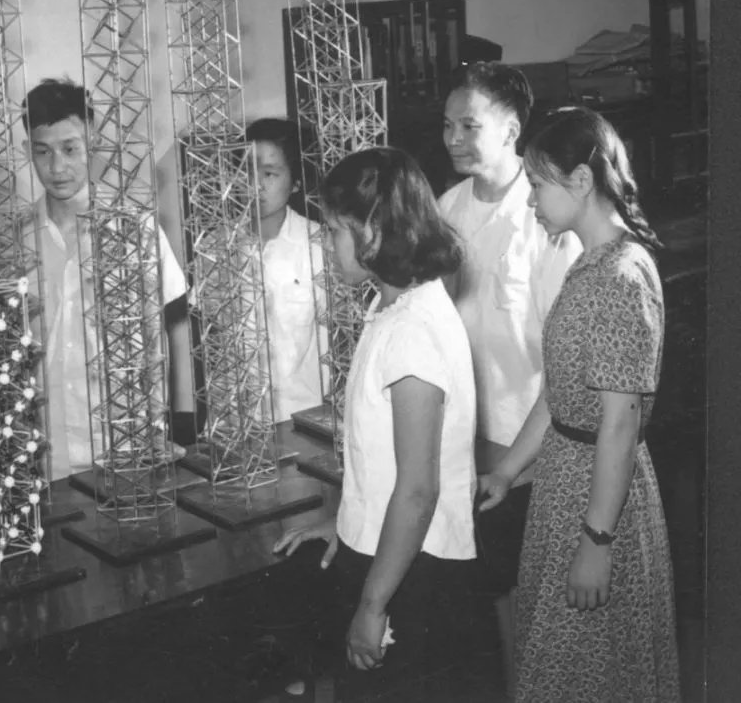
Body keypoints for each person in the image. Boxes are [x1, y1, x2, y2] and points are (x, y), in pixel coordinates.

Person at [478, 107, 680, 703]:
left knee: (587, 671)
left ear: (582, 180)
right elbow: (559, 392)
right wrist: (506, 472)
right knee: (562, 668)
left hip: (598, 497)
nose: (531, 199)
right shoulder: (588, 264)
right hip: (565, 484)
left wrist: (596, 542)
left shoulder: (619, 277)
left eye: (538, 184)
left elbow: (619, 423)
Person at [273, 147, 477, 697]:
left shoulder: (413, 332)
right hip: (391, 554)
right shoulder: (390, 307)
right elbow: (383, 467)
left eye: (336, 230)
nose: (327, 242)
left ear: (376, 233)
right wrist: (348, 525)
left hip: (413, 572)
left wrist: (371, 606)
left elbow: (417, 491)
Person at [439, 61, 582, 691]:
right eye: (447, 125)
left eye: (469, 125)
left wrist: (514, 459)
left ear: (512, 129)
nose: (454, 138)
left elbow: (564, 364)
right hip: (461, 440)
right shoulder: (445, 209)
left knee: (531, 610)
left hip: (531, 446)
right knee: (479, 603)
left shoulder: (546, 215)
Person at [21, 78, 189, 480]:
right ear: (28, 150)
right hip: (45, 453)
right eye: (43, 152)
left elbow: (169, 333)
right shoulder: (17, 238)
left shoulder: (136, 229)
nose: (56, 167)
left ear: (92, 141)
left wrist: (175, 423)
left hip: (123, 446)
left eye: (70, 149)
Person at [244, 118, 326, 422]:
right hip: (236, 423)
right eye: (247, 170)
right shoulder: (215, 246)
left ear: (295, 182)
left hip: (300, 420)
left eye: (269, 174)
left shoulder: (319, 246)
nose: (255, 185)